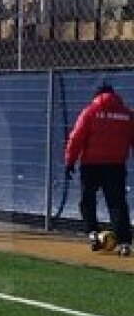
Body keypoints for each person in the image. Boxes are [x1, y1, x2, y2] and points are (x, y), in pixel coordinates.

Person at [65, 80, 134, 256]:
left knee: (87, 200)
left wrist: (70, 161)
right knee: (117, 203)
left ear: (96, 95)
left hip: (91, 165)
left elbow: (76, 138)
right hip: (116, 165)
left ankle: (93, 233)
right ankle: (125, 243)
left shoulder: (90, 112)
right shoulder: (127, 114)